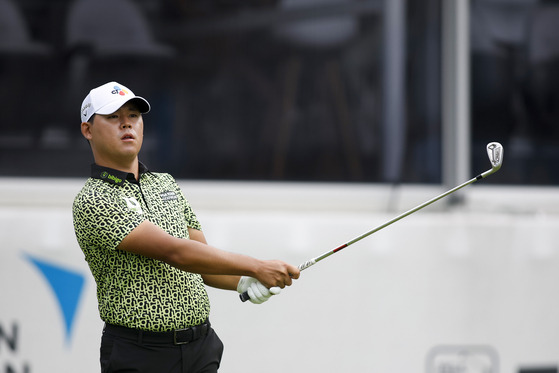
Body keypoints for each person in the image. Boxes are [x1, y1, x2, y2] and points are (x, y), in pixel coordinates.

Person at [72, 81, 300, 373]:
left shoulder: (165, 183)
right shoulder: (93, 198)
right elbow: (176, 252)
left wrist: (243, 282)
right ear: (87, 130)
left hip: (200, 348)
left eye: (134, 116)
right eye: (113, 117)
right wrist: (256, 267)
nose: (126, 124)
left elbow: (201, 260)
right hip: (141, 354)